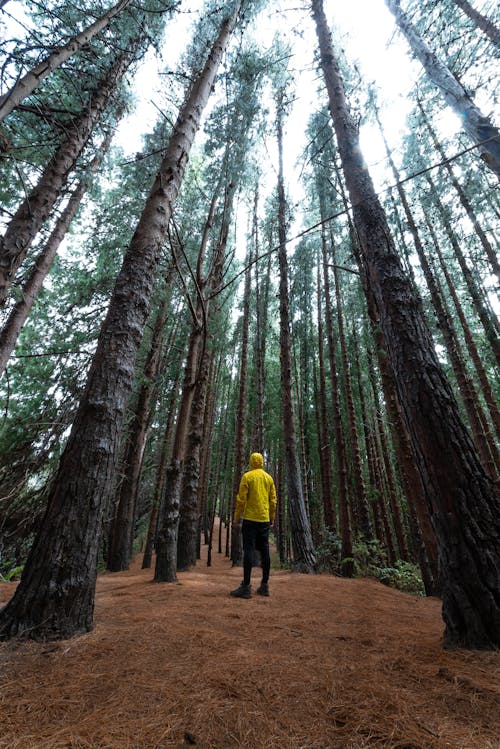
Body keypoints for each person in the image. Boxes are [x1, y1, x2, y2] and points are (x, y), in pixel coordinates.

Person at [230, 452, 277, 599]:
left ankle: (246, 587)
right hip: (264, 520)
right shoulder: (268, 478)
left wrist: (237, 518)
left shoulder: (247, 477)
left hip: (250, 520)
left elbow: (241, 500)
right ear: (262, 462)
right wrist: (271, 518)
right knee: (265, 551)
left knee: (249, 550)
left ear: (251, 462)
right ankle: (264, 585)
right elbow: (273, 501)